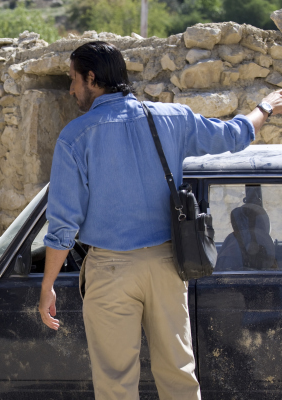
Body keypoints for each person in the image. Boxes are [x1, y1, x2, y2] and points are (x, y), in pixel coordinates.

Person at [38, 41, 282, 400]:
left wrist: (47, 286)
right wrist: (265, 107)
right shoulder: (172, 118)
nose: (72, 90)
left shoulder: (75, 137)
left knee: (115, 385)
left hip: (110, 270)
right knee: (179, 376)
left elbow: (62, 224)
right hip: (168, 266)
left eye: (73, 80)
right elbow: (233, 136)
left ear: (92, 78)